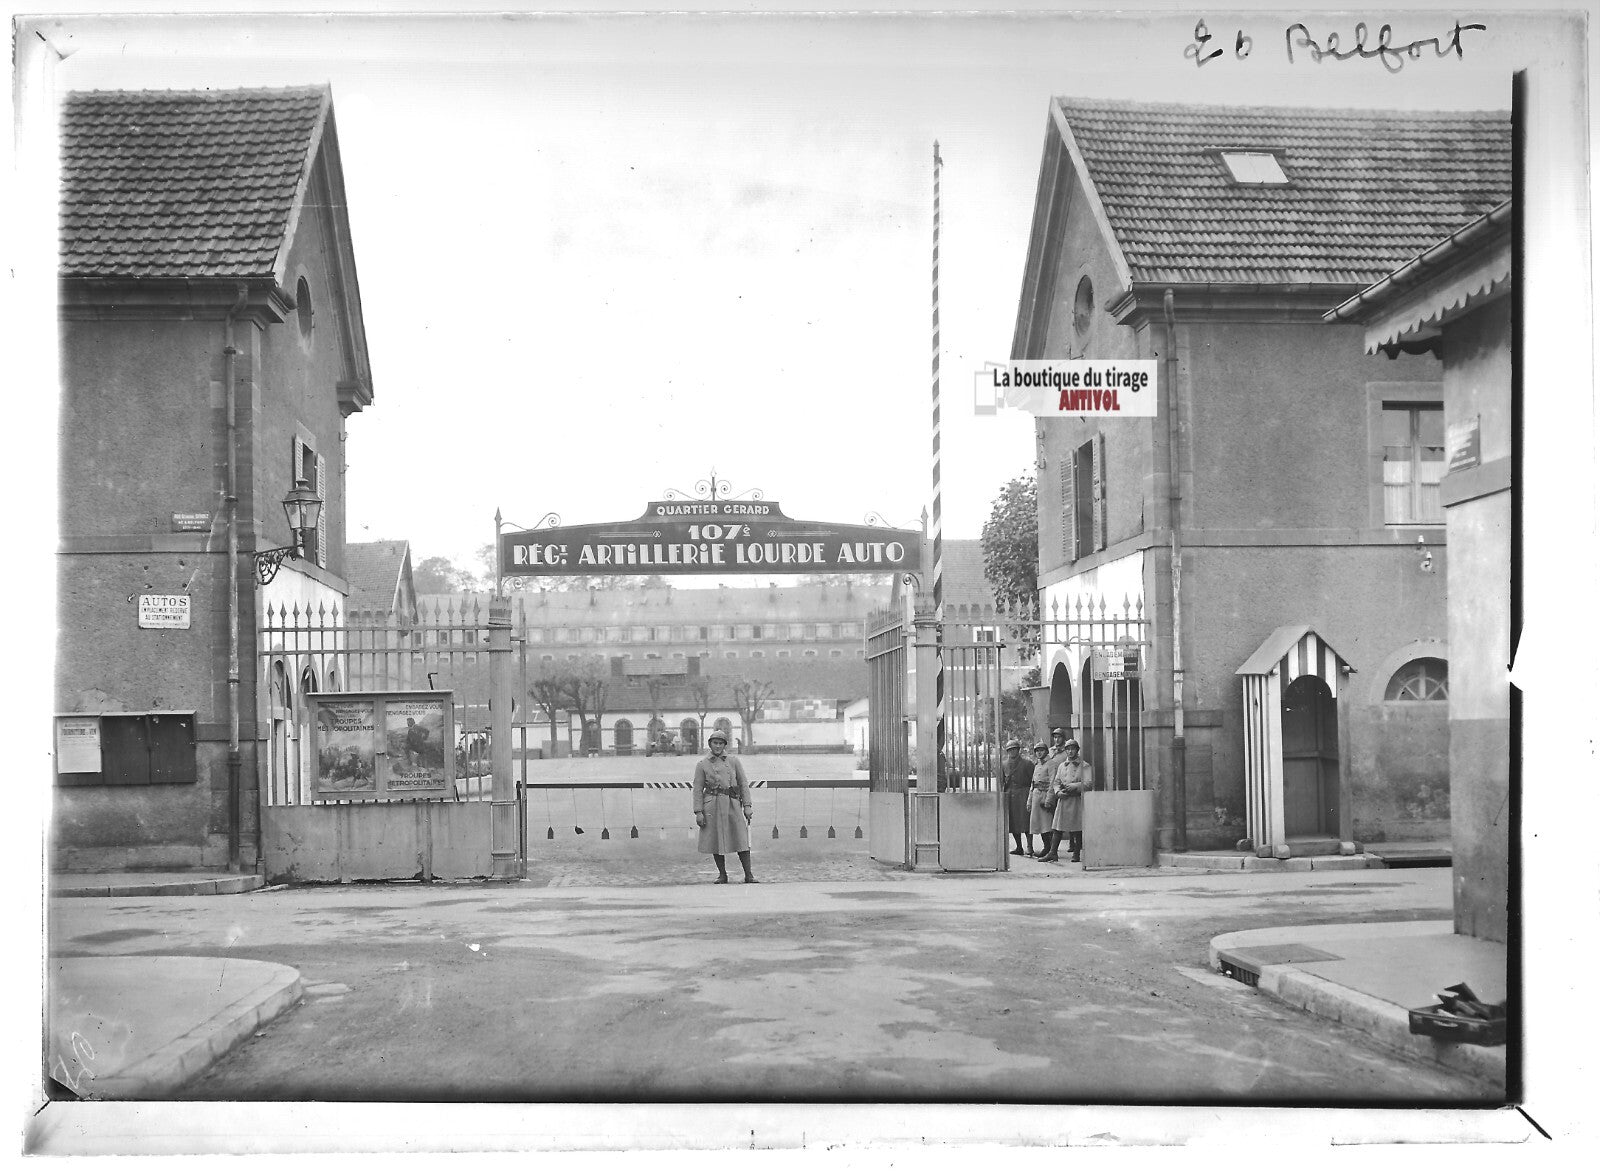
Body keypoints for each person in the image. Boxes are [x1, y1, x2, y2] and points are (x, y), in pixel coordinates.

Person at [692, 730, 758, 884]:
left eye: (721, 743)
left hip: (732, 803)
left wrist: (747, 805)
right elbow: (697, 789)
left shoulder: (734, 761)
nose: (718, 746)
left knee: (741, 838)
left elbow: (743, 784)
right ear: (710, 744)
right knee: (716, 840)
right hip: (712, 806)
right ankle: (722, 874)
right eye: (715, 743)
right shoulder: (702, 764)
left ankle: (749, 874)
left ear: (725, 745)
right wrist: (698, 812)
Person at [1050, 738, 1097, 863]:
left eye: (1073, 749)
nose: (1070, 751)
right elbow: (1056, 782)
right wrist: (1058, 792)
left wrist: (1075, 786)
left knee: (1077, 828)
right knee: (1057, 828)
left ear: (1077, 750)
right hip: (1063, 799)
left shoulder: (1084, 765)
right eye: (1068, 749)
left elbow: (1089, 783)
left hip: (1076, 799)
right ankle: (1053, 852)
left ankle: (1076, 853)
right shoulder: (1062, 766)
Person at [1033, 727, 1073, 861]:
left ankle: (1072, 843)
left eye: (1059, 737)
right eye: (1055, 737)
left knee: (1067, 816)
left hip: (1064, 785)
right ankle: (1050, 848)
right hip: (1051, 787)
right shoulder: (1049, 751)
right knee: (1050, 819)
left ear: (1063, 738)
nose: (1057, 739)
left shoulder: (1067, 751)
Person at [1001, 739, 1035, 857]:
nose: (1012, 751)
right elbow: (1001, 781)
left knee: (1026, 821)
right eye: (1010, 750)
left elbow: (1033, 780)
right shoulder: (1004, 764)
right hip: (1010, 795)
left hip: (1024, 794)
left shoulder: (1027, 763)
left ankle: (1030, 846)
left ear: (1018, 750)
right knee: (1013, 822)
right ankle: (1019, 846)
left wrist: (1031, 794)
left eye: (1014, 749)